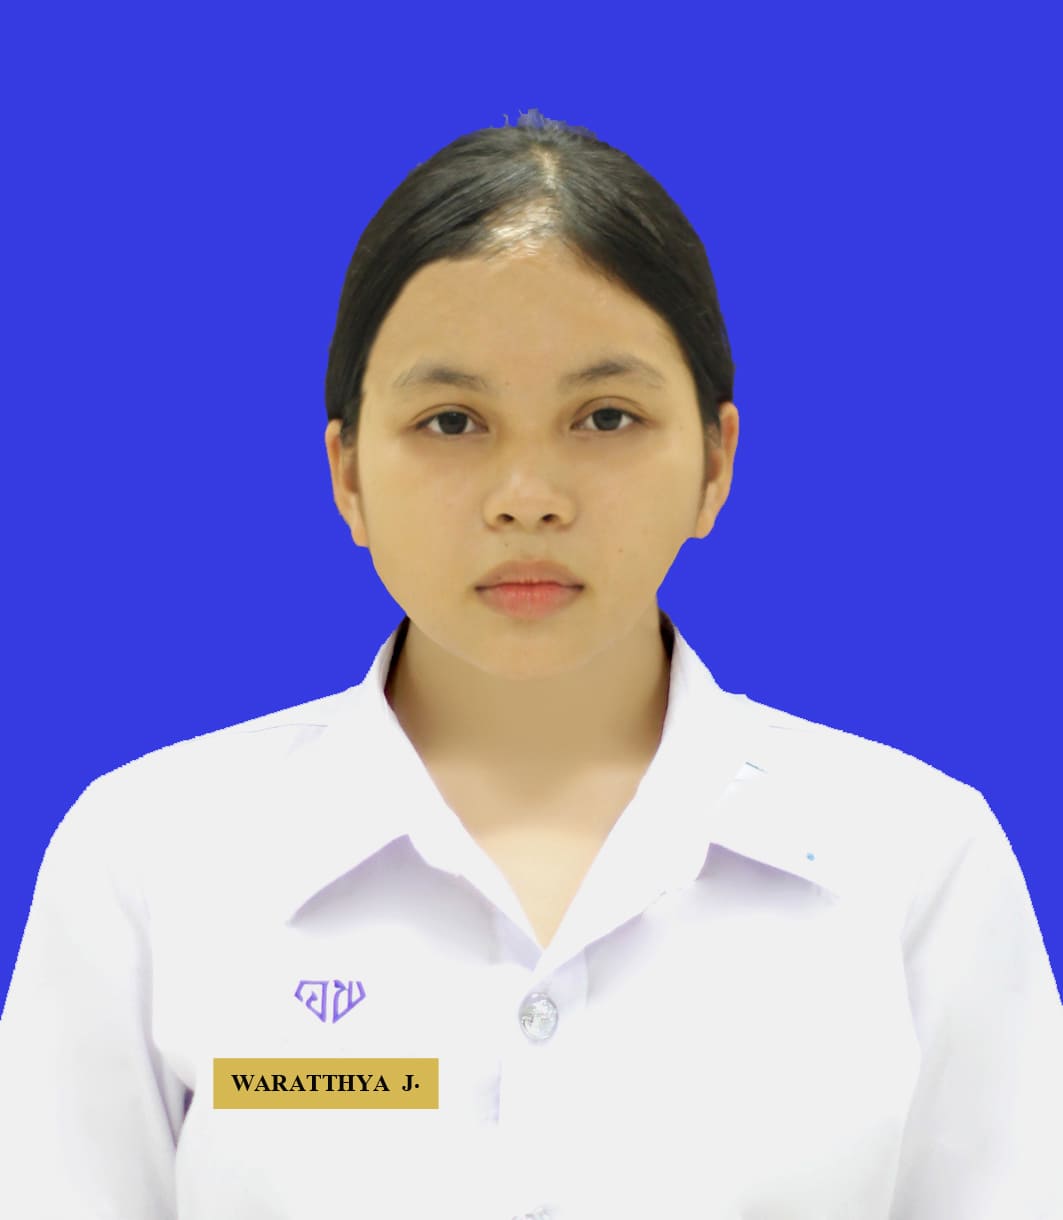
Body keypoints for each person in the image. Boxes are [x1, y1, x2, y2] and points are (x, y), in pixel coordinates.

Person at [2, 108, 1061, 1220]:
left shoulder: (915, 861)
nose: (528, 496)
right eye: (451, 422)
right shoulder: (147, 861)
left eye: (604, 417)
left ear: (715, 462)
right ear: (347, 474)